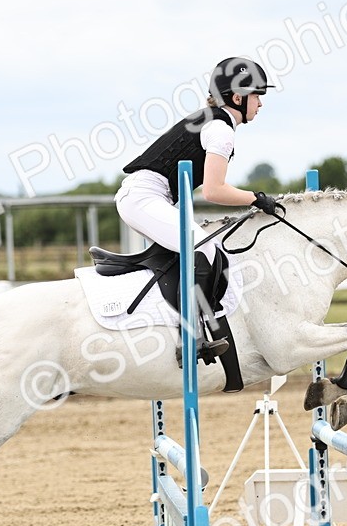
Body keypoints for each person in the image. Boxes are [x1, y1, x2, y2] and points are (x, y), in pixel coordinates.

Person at [114, 57, 283, 362]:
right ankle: (188, 340)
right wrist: (256, 199)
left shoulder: (214, 122)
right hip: (144, 197)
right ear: (237, 98)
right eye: (257, 95)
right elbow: (214, 190)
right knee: (202, 248)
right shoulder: (220, 129)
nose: (261, 103)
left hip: (151, 197)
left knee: (208, 246)